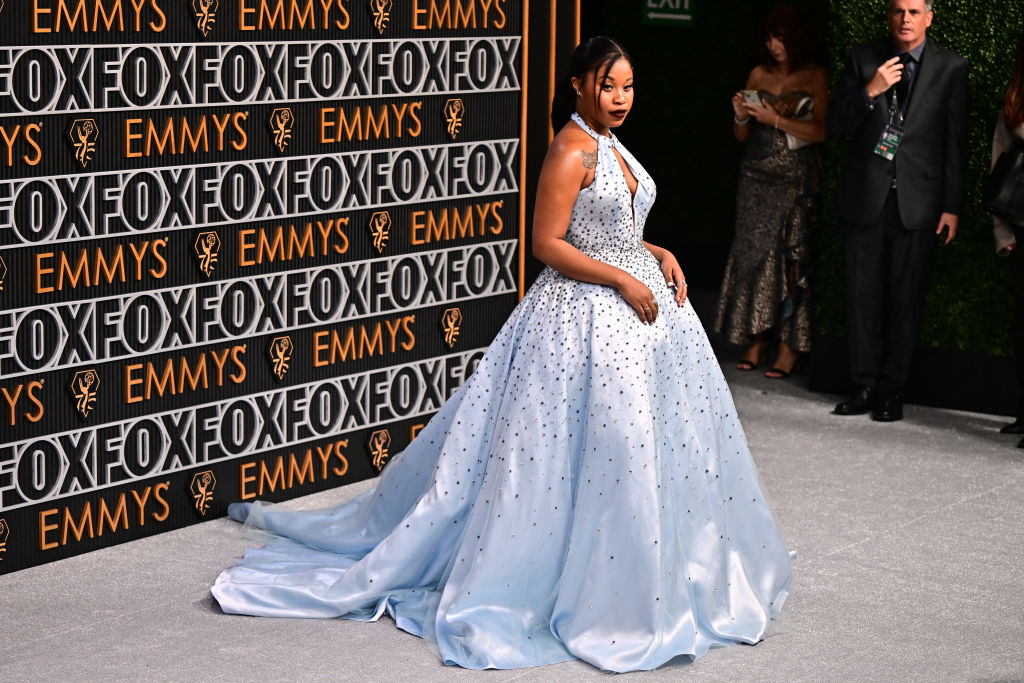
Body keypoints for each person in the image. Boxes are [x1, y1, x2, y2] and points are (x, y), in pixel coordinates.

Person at [211, 37, 792, 672]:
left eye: (627, 85)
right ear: (578, 86)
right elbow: (546, 243)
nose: (620, 98)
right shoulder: (570, 148)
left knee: (639, 453)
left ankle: (654, 580)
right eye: (608, 86)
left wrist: (654, 254)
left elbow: (610, 227)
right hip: (579, 321)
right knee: (580, 455)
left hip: (638, 323)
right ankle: (600, 596)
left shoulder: (610, 142)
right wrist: (623, 279)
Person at [828, 0, 968, 421]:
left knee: (906, 299)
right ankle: (865, 384)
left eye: (913, 11)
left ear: (929, 16)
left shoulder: (951, 67)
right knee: (861, 295)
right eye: (897, 11)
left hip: (919, 202)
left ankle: (893, 391)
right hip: (865, 196)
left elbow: (955, 143)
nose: (905, 19)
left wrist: (952, 206)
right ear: (889, 16)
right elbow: (834, 125)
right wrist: (870, 90)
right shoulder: (863, 57)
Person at [715, 4, 827, 380]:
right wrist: (741, 115)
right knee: (752, 258)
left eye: (780, 37)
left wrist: (775, 118)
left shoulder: (814, 77)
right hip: (755, 178)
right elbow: (741, 136)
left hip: (795, 181)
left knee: (791, 261)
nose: (774, 44)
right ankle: (756, 339)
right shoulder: (757, 73)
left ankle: (788, 346)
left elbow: (821, 132)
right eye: (769, 37)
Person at [992, 31, 1024, 443]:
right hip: (1021, 227)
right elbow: (998, 169)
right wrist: (1001, 232)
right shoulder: (1014, 99)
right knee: (1022, 326)